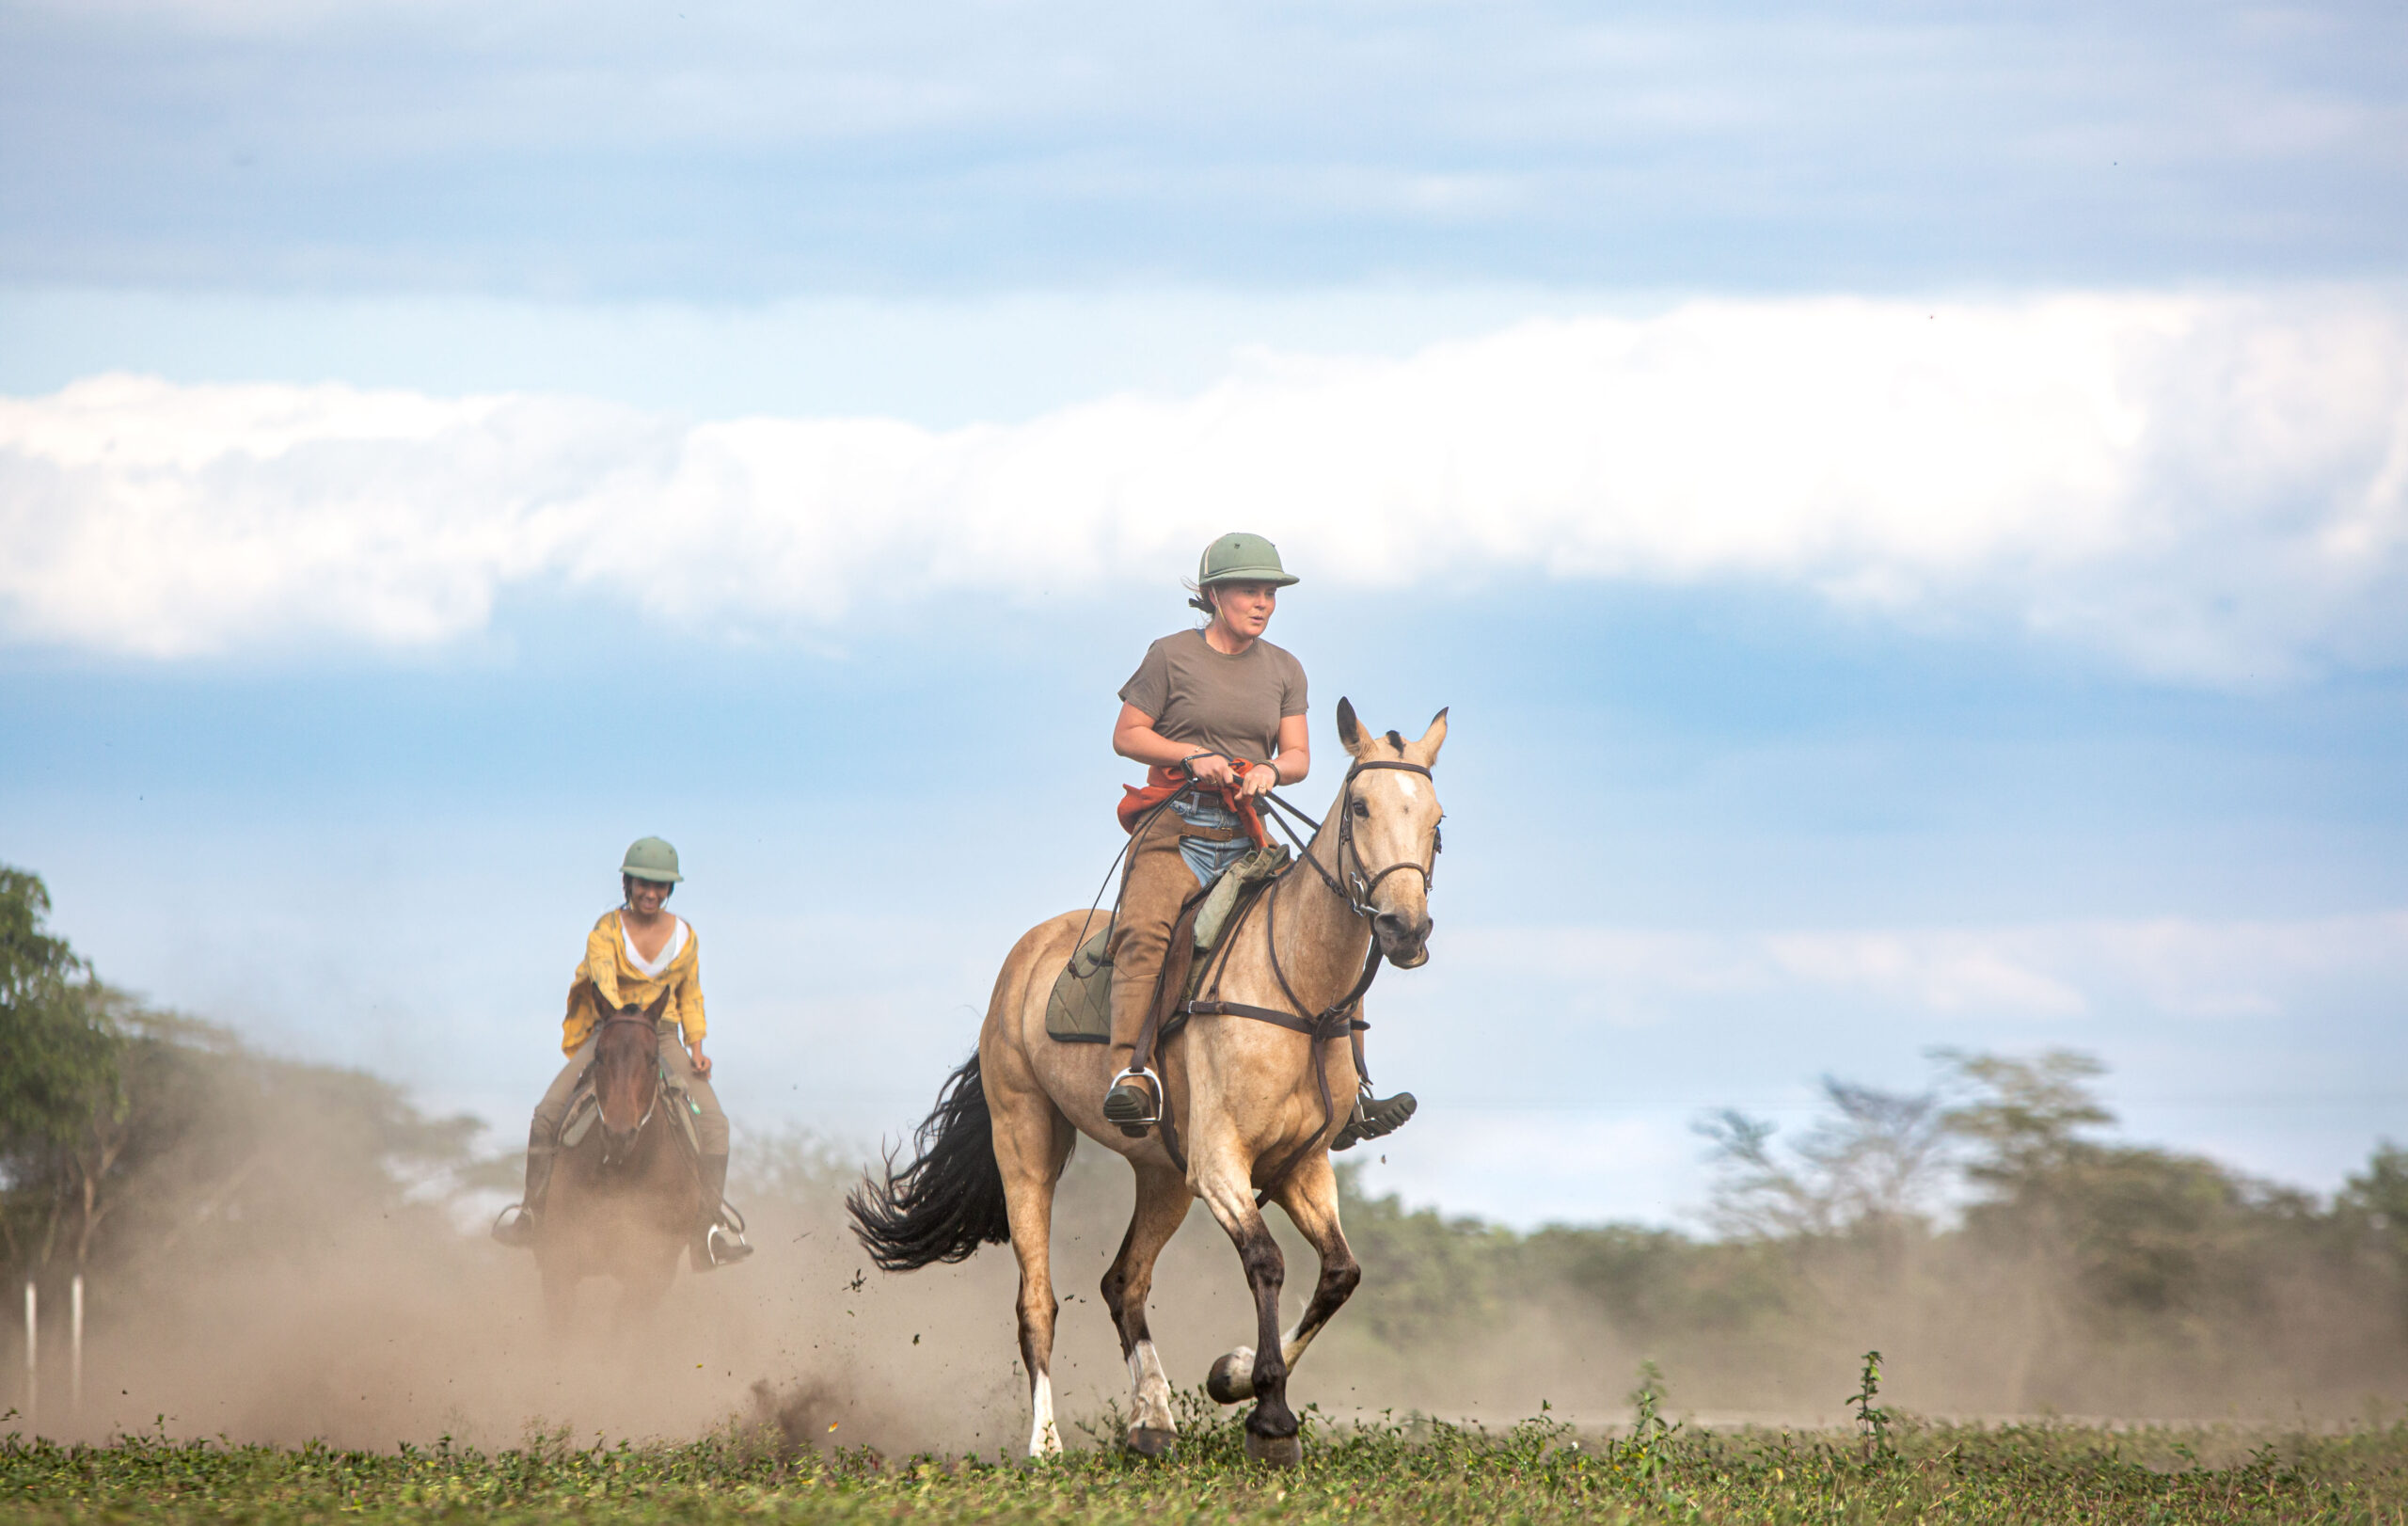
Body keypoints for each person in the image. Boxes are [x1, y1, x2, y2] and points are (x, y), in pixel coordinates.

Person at [1103, 533, 1415, 1148]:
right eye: (1250, 590)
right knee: (1145, 931)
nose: (1263, 602)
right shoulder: (1168, 657)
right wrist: (1192, 756)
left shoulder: (1285, 669)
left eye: (1270, 592)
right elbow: (1128, 735)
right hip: (1177, 829)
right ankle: (1131, 1072)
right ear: (1214, 594)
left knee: (1326, 930)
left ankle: (1352, 1091)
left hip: (1247, 836)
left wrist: (1273, 770)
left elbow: (1297, 754)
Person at [493, 836, 751, 1268]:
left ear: (670, 891)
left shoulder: (686, 937)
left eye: (661, 886)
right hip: (612, 1030)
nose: (651, 893)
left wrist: (698, 1048)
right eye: (643, 884)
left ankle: (708, 1230)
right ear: (628, 884)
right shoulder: (605, 930)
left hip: (663, 1035)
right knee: (547, 1111)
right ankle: (532, 1213)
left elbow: (691, 995)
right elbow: (603, 981)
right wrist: (623, 1025)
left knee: (716, 1124)